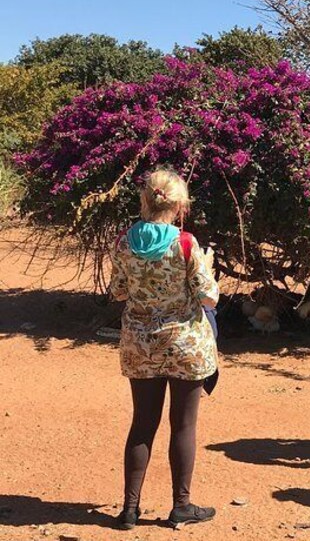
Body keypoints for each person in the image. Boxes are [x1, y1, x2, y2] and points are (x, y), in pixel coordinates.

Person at [109, 169, 219, 530]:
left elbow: (119, 292)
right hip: (186, 344)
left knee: (142, 423)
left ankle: (129, 509)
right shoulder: (186, 243)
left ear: (146, 199)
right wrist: (208, 266)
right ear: (179, 204)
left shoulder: (124, 242)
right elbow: (208, 295)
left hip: (140, 344)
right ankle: (181, 506)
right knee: (183, 425)